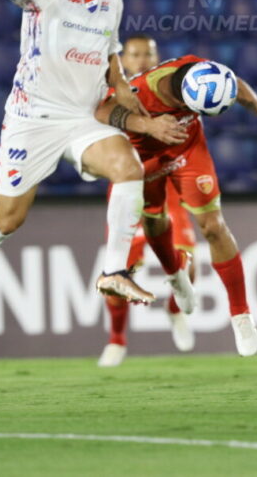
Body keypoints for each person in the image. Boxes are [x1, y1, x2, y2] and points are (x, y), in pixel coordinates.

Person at [0, 0, 190, 324]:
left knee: (128, 167)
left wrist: (122, 85)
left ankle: (114, 271)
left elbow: (110, 53)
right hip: (33, 119)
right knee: (9, 220)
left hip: (82, 118)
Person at [95, 55, 257, 356]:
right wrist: (147, 125)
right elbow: (102, 110)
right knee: (154, 221)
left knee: (214, 226)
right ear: (184, 98)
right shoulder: (141, 91)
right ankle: (176, 275)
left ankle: (241, 315)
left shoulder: (200, 68)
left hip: (187, 151)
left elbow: (236, 85)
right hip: (143, 159)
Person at [98, 34, 200, 367]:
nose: (142, 59)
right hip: (130, 187)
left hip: (167, 185)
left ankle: (175, 312)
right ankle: (116, 340)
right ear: (123, 61)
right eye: (135, 54)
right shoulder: (111, 98)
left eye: (148, 54)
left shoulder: (173, 93)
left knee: (188, 260)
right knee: (118, 270)